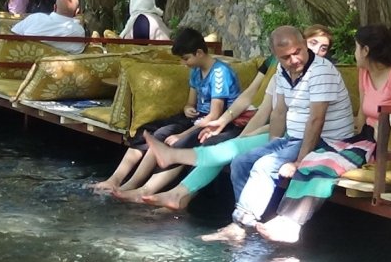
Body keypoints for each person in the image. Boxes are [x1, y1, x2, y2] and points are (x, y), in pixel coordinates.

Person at [256, 24, 391, 244]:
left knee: (326, 166)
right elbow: (363, 114)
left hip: (386, 144)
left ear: (365, 50)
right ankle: (284, 218)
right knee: (312, 159)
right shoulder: (365, 73)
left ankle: (292, 225)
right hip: (365, 138)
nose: (354, 54)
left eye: (355, 48)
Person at [139, 25, 333, 210]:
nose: (316, 50)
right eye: (313, 43)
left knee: (228, 149)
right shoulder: (281, 70)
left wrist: (254, 138)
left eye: (323, 47)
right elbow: (269, 109)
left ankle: (182, 192)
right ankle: (181, 195)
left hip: (295, 136)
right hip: (277, 130)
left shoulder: (319, 72)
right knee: (230, 150)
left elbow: (307, 120)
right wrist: (228, 125)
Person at [199, 25, 354, 243]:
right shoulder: (282, 71)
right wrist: (273, 144)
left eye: (297, 52)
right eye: (286, 57)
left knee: (265, 166)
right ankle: (249, 223)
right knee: (241, 161)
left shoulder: (321, 71)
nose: (294, 60)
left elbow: (316, 119)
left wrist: (300, 161)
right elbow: (279, 111)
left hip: (327, 141)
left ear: (304, 44)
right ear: (276, 57)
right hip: (294, 138)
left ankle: (240, 225)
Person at [90, 28, 241, 196]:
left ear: (199, 53)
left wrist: (182, 134)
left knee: (175, 141)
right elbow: (190, 103)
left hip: (217, 123)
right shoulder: (196, 71)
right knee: (147, 131)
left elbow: (215, 115)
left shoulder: (220, 73)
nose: (184, 63)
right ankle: (116, 180)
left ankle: (138, 187)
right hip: (197, 118)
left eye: (186, 59)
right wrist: (187, 108)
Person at [10, 0, 86, 54]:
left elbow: (12, 34)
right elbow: (77, 51)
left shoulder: (35, 18)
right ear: (77, 12)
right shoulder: (79, 31)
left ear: (55, 7)